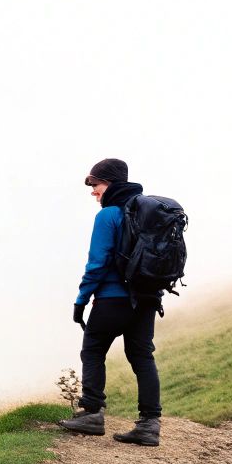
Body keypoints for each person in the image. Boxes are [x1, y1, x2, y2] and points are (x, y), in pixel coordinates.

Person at [58, 158, 162, 446]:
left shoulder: (109, 215)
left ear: (111, 183)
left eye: (96, 184)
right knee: (142, 357)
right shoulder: (147, 212)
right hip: (147, 299)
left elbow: (98, 262)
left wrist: (81, 300)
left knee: (92, 350)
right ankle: (150, 425)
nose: (93, 191)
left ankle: (91, 413)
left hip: (113, 299)